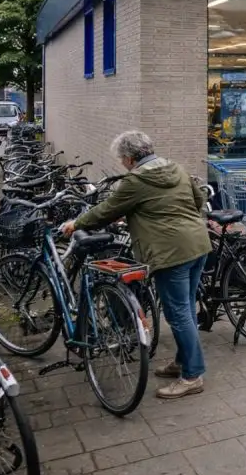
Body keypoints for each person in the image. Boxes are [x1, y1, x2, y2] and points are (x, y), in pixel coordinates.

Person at [60, 131, 212, 399]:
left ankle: (192, 376)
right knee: (186, 308)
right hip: (198, 244)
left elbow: (107, 210)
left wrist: (77, 224)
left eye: (122, 159)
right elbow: (198, 199)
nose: (122, 163)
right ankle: (182, 362)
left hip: (170, 252)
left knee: (178, 314)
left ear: (130, 158)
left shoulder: (136, 180)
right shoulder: (175, 167)